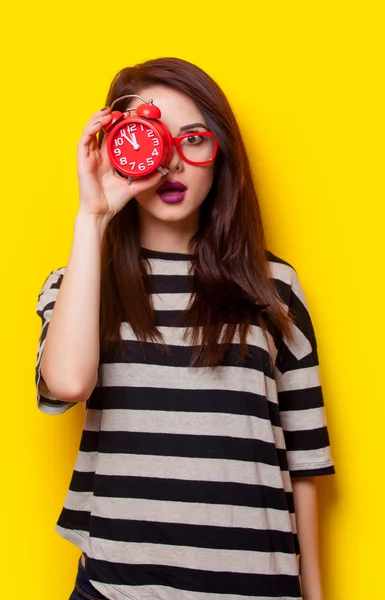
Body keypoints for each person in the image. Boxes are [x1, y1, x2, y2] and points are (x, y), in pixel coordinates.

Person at [35, 57, 336, 600]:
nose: (172, 163)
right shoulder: (79, 282)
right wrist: (92, 218)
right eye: (150, 137)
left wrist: (312, 593)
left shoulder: (275, 287)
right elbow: (67, 383)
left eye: (193, 139)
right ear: (117, 146)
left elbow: (305, 461)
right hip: (114, 588)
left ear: (221, 156)